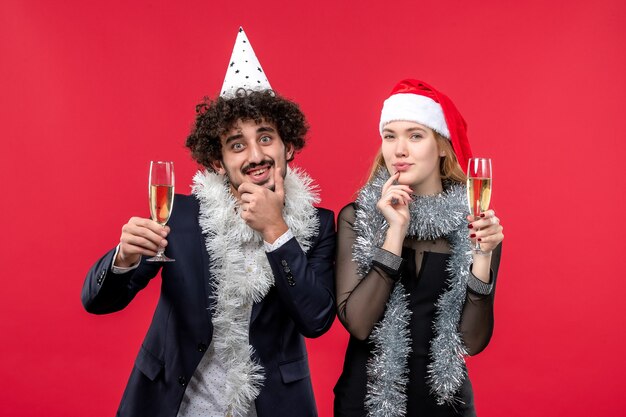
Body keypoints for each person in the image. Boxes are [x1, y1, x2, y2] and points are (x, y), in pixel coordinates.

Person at [82, 28, 336, 417]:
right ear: (218, 162)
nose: (255, 155)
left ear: (288, 147)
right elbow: (99, 303)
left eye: (266, 138)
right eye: (237, 144)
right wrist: (124, 258)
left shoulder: (319, 224)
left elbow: (316, 320)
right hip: (174, 405)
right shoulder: (180, 216)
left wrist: (276, 231)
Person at [333, 79, 504, 417]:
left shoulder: (475, 225)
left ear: (442, 145)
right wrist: (394, 233)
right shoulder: (359, 218)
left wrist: (482, 257)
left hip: (446, 406)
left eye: (415, 135)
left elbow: (471, 342)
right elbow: (358, 324)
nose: (399, 150)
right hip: (365, 402)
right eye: (390, 136)